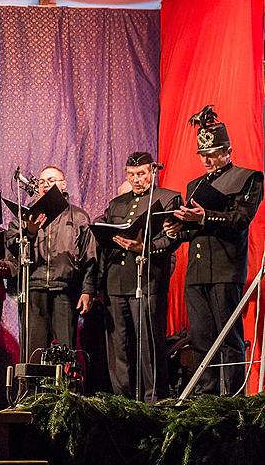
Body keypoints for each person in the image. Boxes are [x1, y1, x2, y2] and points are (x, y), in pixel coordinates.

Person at [166, 106, 264, 395]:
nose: (207, 160)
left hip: (225, 267)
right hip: (197, 271)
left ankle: (232, 394)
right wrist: (179, 231)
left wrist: (205, 217)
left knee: (228, 336)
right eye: (203, 154)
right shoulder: (195, 185)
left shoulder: (248, 178)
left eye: (213, 153)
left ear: (228, 150)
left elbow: (240, 219)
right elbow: (195, 226)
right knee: (201, 336)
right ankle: (206, 393)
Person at [96, 152, 181, 402]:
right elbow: (105, 242)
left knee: (148, 344)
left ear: (152, 172)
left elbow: (171, 239)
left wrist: (142, 248)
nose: (137, 179)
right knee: (118, 347)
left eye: (142, 174)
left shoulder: (167, 198)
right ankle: (121, 399)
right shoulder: (117, 204)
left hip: (147, 281)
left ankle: (154, 398)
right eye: (132, 175)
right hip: (116, 282)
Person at [5, 165, 97, 359]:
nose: (46, 185)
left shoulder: (78, 216)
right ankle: (32, 390)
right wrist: (29, 232)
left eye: (52, 180)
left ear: (63, 184)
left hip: (65, 290)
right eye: (42, 181)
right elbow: (11, 247)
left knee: (65, 352)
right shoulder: (25, 215)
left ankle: (65, 388)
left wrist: (87, 290)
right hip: (33, 289)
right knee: (34, 352)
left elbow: (90, 257)